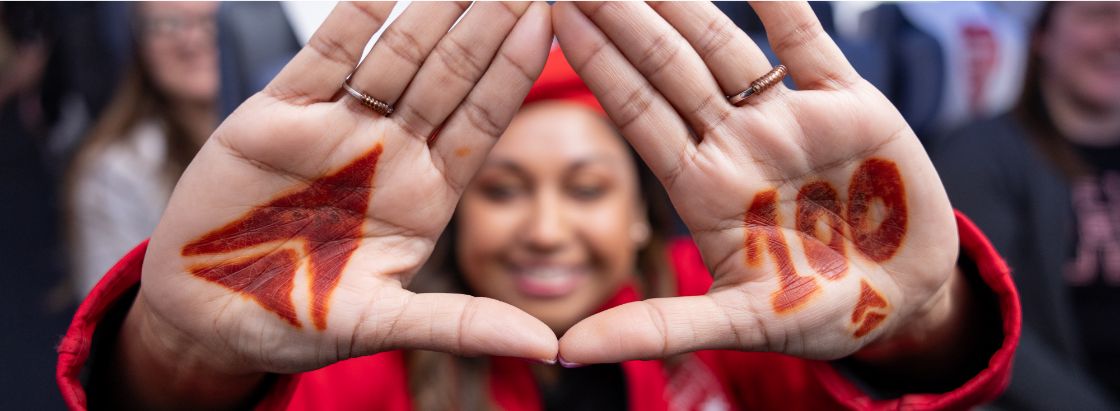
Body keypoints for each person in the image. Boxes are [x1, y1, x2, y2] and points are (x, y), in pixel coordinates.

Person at [56, 2, 1019, 410]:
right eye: (503, 189)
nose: (547, 226)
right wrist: (181, 358)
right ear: (448, 223)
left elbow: (914, 385)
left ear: (643, 214)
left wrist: (923, 317)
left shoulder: (753, 322)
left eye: (588, 187)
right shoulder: (368, 365)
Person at [934, 2, 1120, 409]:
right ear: (1041, 36)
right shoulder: (980, 155)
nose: (1116, 34)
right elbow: (984, 324)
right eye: (1099, 14)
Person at [65, 2, 219, 297]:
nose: (192, 39)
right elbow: (111, 318)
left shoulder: (300, 132)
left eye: (210, 20)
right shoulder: (116, 170)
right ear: (139, 43)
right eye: (166, 24)